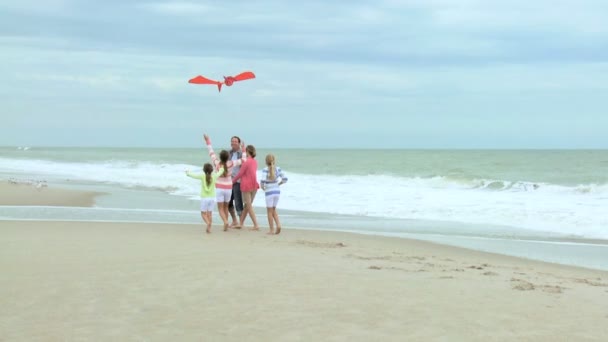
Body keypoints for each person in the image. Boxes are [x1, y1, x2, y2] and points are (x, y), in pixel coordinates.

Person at [203, 134, 246, 230]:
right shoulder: (231, 163)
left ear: (220, 157)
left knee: (220, 208)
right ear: (228, 157)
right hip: (229, 188)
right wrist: (244, 149)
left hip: (219, 188)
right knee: (226, 207)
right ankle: (225, 226)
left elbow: (211, 153)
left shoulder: (217, 163)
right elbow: (244, 160)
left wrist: (208, 141)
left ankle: (226, 222)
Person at [185, 163, 225, 234]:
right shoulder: (214, 176)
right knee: (210, 213)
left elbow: (194, 175)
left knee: (203, 213)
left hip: (204, 198)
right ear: (212, 170)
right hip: (212, 198)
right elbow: (220, 172)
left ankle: (207, 223)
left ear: (204, 170)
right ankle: (209, 228)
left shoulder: (202, 176)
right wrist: (221, 168)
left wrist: (188, 173)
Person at [232, 145, 259, 230]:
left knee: (248, 205)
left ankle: (256, 225)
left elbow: (240, 174)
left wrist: (232, 182)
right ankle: (240, 223)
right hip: (254, 185)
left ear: (247, 152)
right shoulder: (255, 162)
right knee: (247, 206)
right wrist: (243, 149)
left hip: (247, 185)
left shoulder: (246, 162)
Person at [260, 154, 288, 235]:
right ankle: (278, 225)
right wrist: (279, 184)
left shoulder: (265, 170)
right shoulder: (278, 169)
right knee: (274, 209)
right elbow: (285, 179)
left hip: (269, 192)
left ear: (266, 162)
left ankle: (271, 229)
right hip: (277, 191)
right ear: (274, 161)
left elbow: (262, 181)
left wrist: (263, 187)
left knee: (269, 211)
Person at [228, 136, 245, 228]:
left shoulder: (242, 153)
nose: (233, 143)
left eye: (235, 141)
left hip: (238, 180)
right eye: (232, 141)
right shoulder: (229, 153)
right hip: (228, 180)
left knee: (238, 202)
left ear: (238, 143)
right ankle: (234, 220)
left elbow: (244, 165)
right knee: (228, 202)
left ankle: (241, 222)